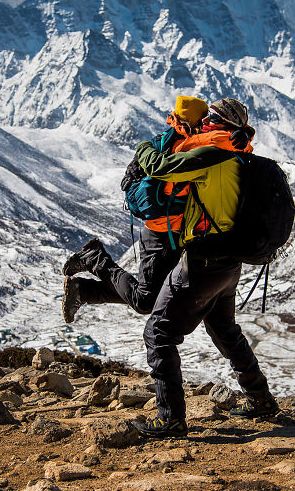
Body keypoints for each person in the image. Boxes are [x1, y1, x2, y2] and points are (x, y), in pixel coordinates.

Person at [130, 97, 278, 439]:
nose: (204, 122)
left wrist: (143, 148)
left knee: (158, 332)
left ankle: (171, 418)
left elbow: (160, 167)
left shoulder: (211, 153)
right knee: (224, 329)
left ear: (218, 122)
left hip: (204, 259)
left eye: (210, 118)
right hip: (230, 261)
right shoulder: (240, 150)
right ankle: (260, 399)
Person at [61, 96, 255, 324]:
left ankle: (83, 290)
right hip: (161, 230)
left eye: (210, 118)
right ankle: (94, 261)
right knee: (145, 300)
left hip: (176, 232)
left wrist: (245, 133)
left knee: (154, 297)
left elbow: (229, 145)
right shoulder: (187, 146)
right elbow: (168, 164)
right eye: (204, 118)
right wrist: (242, 134)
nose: (206, 121)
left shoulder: (193, 138)